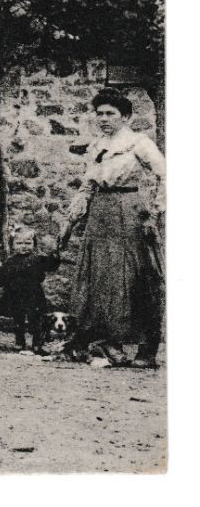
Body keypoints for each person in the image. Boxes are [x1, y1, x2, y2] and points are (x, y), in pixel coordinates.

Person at [68, 87, 165, 367]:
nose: (103, 119)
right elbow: (89, 180)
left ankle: (146, 349)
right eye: (99, 114)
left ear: (125, 117)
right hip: (101, 212)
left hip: (130, 209)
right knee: (102, 275)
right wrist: (82, 200)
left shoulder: (139, 143)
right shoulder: (97, 145)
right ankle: (109, 343)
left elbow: (165, 174)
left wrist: (155, 211)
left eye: (110, 114)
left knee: (137, 275)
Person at [0, 227, 61, 353]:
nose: (23, 246)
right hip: (15, 294)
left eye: (28, 243)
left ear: (34, 244)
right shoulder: (10, 261)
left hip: (33, 294)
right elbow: (2, 276)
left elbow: (51, 266)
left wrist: (54, 255)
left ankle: (37, 342)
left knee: (36, 319)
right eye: (19, 243)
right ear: (12, 245)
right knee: (18, 319)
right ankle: (20, 341)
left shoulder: (38, 259)